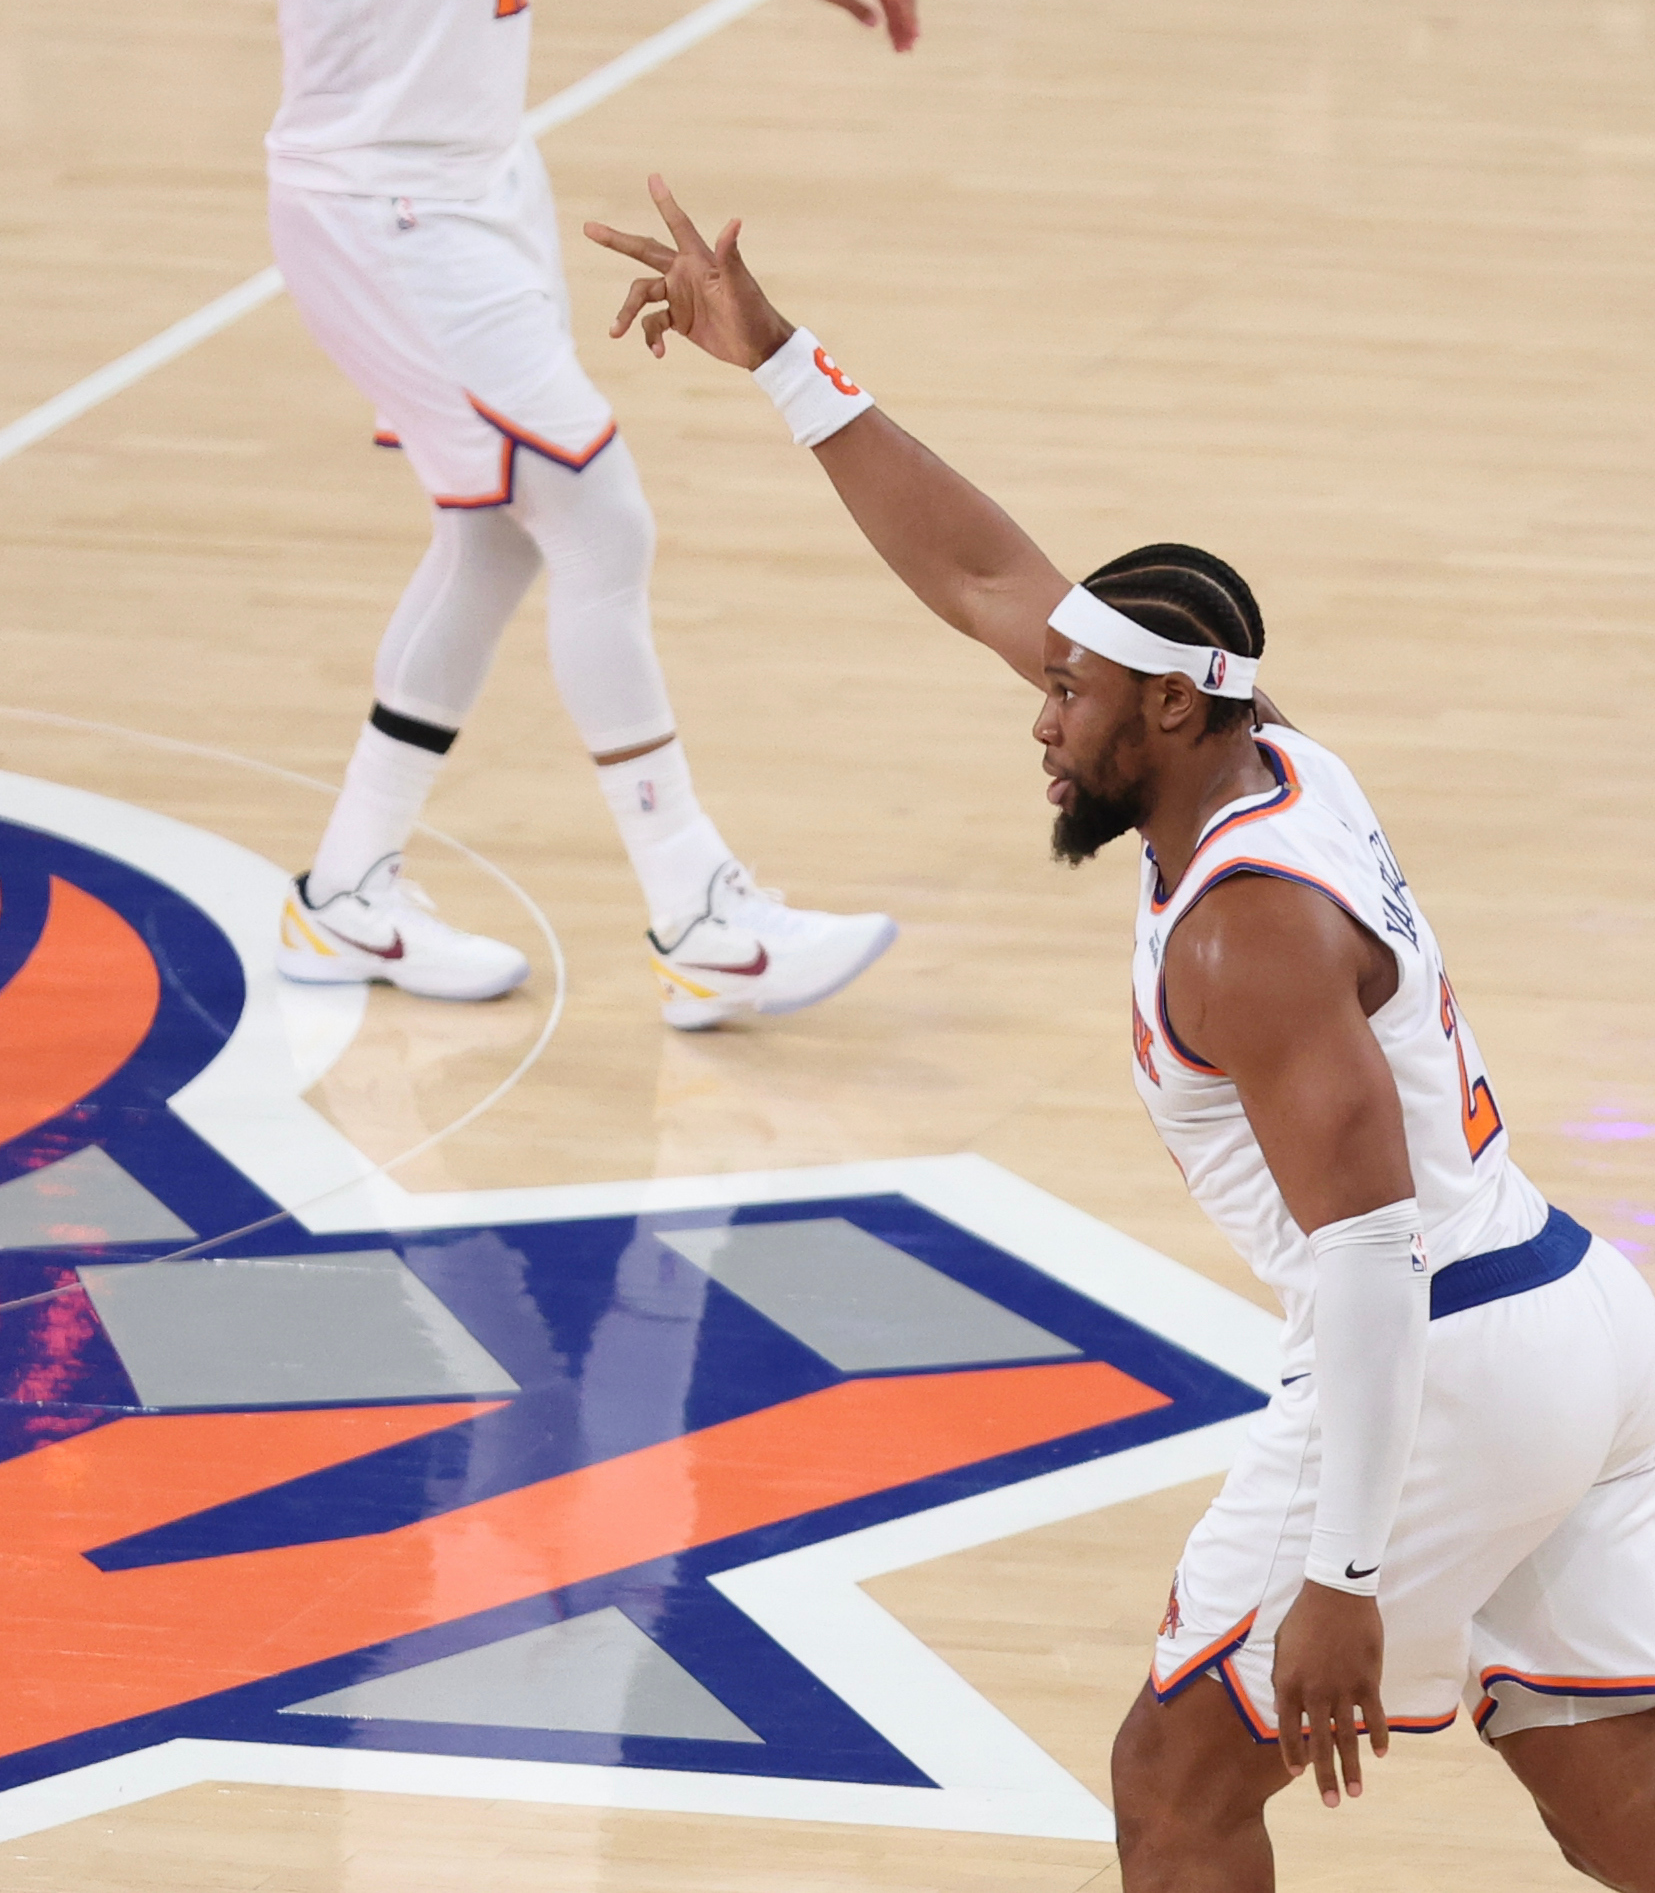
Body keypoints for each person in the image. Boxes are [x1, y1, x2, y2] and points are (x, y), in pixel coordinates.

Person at [585, 175, 1655, 1891]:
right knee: (1620, 1810)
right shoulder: (1267, 748)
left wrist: (1346, 1581)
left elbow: (1371, 1258)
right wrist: (779, 358)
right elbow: (982, 567)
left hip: (1439, 1348)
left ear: (1168, 703)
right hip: (1572, 1316)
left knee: (1174, 1783)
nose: (1038, 712)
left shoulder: (1248, 933)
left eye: (1070, 695)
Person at [195, 0, 916, 1024]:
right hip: (377, 206)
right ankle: (698, 907)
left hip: (483, 185)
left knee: (496, 533)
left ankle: (346, 894)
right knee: (595, 507)